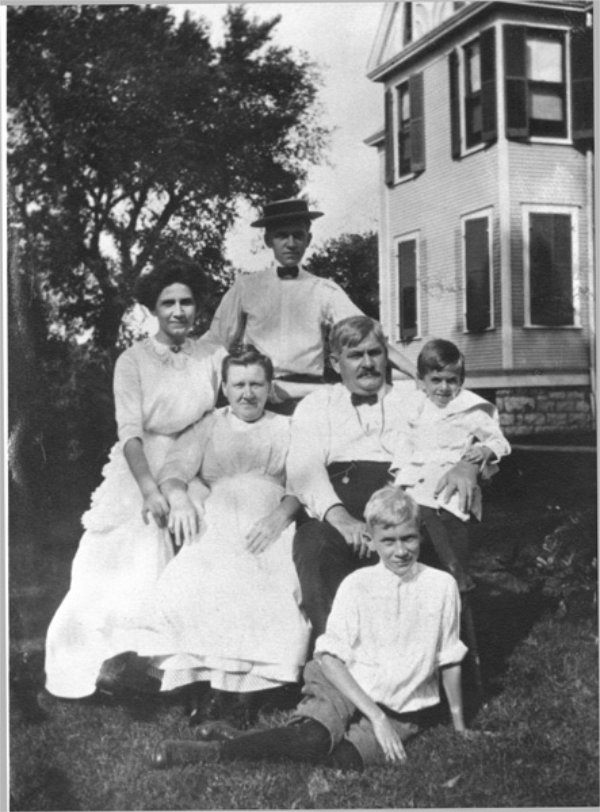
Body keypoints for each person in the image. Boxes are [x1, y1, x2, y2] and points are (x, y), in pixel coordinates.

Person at [150, 486, 468, 772]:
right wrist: (376, 717)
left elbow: (449, 657)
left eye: (408, 538)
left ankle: (242, 737)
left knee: (342, 762)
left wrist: (459, 725)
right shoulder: (358, 586)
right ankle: (212, 752)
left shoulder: (441, 586)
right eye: (389, 541)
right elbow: (330, 659)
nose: (401, 551)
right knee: (312, 741)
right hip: (345, 680)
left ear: (420, 536)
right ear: (371, 541)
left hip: (402, 705)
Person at [42, 259, 224, 701]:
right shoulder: (133, 360)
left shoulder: (212, 355)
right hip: (141, 463)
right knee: (123, 552)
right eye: (168, 303)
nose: (179, 311)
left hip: (194, 459)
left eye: (186, 302)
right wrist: (149, 488)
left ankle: (186, 664)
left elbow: (254, 387)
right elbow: (130, 432)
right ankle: (108, 661)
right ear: (153, 309)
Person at [137, 345, 310, 726]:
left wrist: (281, 515)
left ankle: (245, 692)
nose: (247, 393)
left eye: (256, 384)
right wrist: (180, 497)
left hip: (266, 520)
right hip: (215, 519)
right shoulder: (209, 424)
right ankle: (206, 690)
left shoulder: (286, 427)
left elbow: (303, 480)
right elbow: (175, 468)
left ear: (270, 386)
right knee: (196, 583)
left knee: (261, 586)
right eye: (238, 385)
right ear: (225, 388)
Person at [287, 315, 480, 637]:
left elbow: (469, 430)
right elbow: (303, 468)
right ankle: (338, 659)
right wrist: (342, 520)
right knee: (313, 545)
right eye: (355, 355)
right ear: (336, 363)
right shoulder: (316, 404)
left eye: (374, 353)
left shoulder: (414, 400)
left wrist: (467, 465)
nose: (367, 363)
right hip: (339, 512)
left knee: (433, 533)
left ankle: (427, 660)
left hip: (404, 507)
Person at [205, 198, 416, 413]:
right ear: (268, 240)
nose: (291, 243)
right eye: (281, 235)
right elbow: (214, 342)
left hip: (309, 397)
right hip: (260, 395)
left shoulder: (325, 290)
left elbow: (368, 336)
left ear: (308, 239)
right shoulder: (246, 287)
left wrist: (417, 373)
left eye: (298, 235)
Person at [391, 338, 511, 592]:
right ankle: (431, 575)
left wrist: (485, 449)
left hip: (452, 473)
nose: (444, 388)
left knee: (450, 516)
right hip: (420, 475)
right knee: (415, 513)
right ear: (422, 381)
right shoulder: (416, 407)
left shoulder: (469, 408)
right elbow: (405, 444)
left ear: (460, 381)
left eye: (451, 380)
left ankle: (456, 570)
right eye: (436, 380)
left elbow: (499, 440)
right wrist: (400, 477)